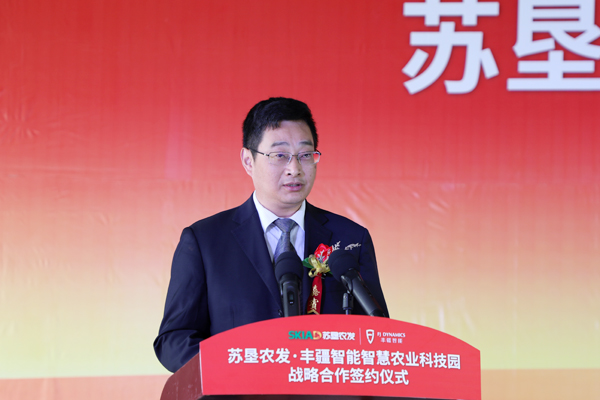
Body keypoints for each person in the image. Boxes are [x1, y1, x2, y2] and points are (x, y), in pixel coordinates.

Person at [154, 97, 388, 372]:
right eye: (280, 155)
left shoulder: (351, 238)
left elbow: (378, 333)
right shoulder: (205, 241)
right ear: (248, 160)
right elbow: (174, 340)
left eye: (305, 155)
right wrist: (236, 371)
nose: (295, 169)